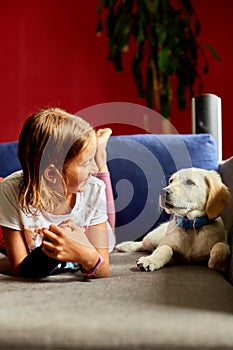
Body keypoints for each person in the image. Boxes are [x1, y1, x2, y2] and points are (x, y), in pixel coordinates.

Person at [0, 108, 115, 278]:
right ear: (51, 174)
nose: (92, 170)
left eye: (91, 161)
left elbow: (103, 269)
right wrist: (57, 243)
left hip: (91, 227)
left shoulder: (93, 189)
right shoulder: (10, 190)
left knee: (109, 232)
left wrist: (86, 255)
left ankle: (100, 155)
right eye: (85, 163)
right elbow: (20, 268)